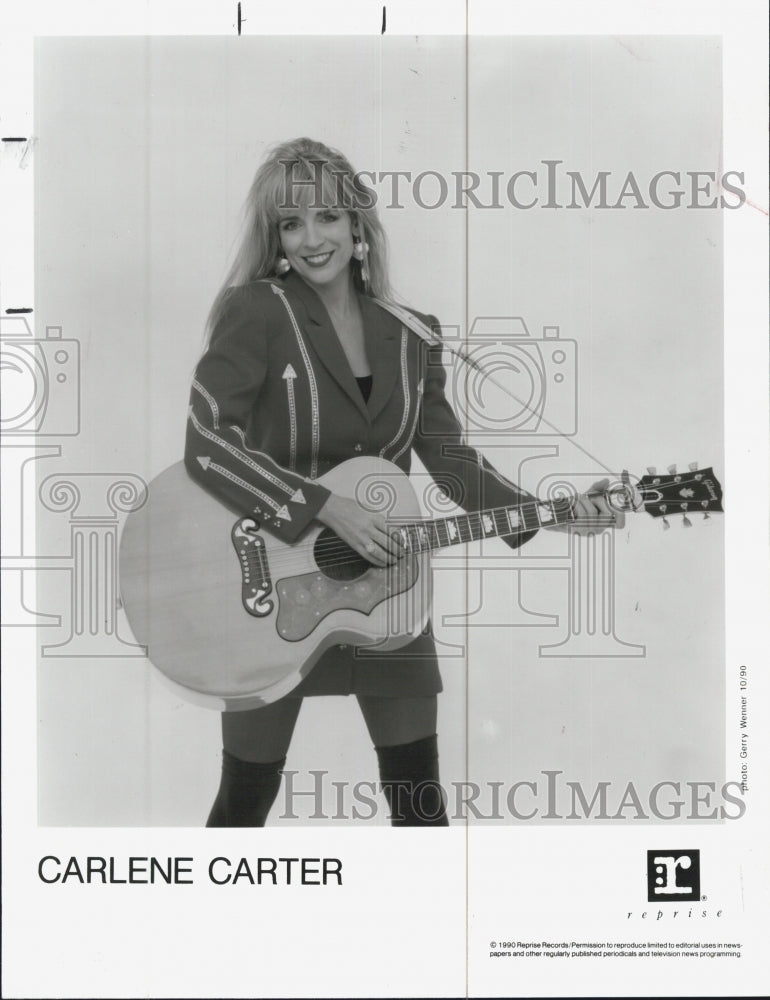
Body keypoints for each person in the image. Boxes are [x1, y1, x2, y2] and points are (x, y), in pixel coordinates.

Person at [185, 137, 619, 827]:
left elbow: (450, 464)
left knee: (420, 806)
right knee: (245, 800)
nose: (310, 238)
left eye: (327, 216)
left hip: (388, 594)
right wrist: (324, 509)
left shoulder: (414, 333)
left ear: (359, 225)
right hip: (264, 590)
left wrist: (553, 512)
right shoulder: (257, 311)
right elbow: (207, 443)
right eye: (290, 223)